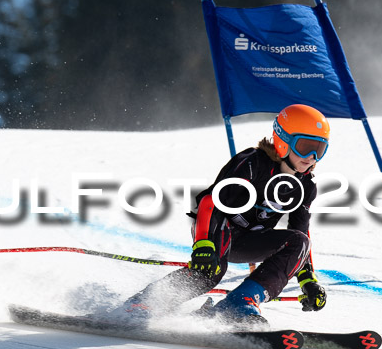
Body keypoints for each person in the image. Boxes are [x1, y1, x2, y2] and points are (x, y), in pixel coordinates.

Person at [117, 104, 329, 327]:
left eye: (320, 149)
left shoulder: (304, 186)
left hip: (250, 240)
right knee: (211, 271)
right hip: (216, 227)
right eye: (305, 147)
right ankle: (144, 304)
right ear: (283, 140)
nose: (311, 157)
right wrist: (204, 244)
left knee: (298, 241)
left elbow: (301, 233)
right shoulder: (252, 163)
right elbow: (211, 203)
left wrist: (308, 280)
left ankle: (239, 304)